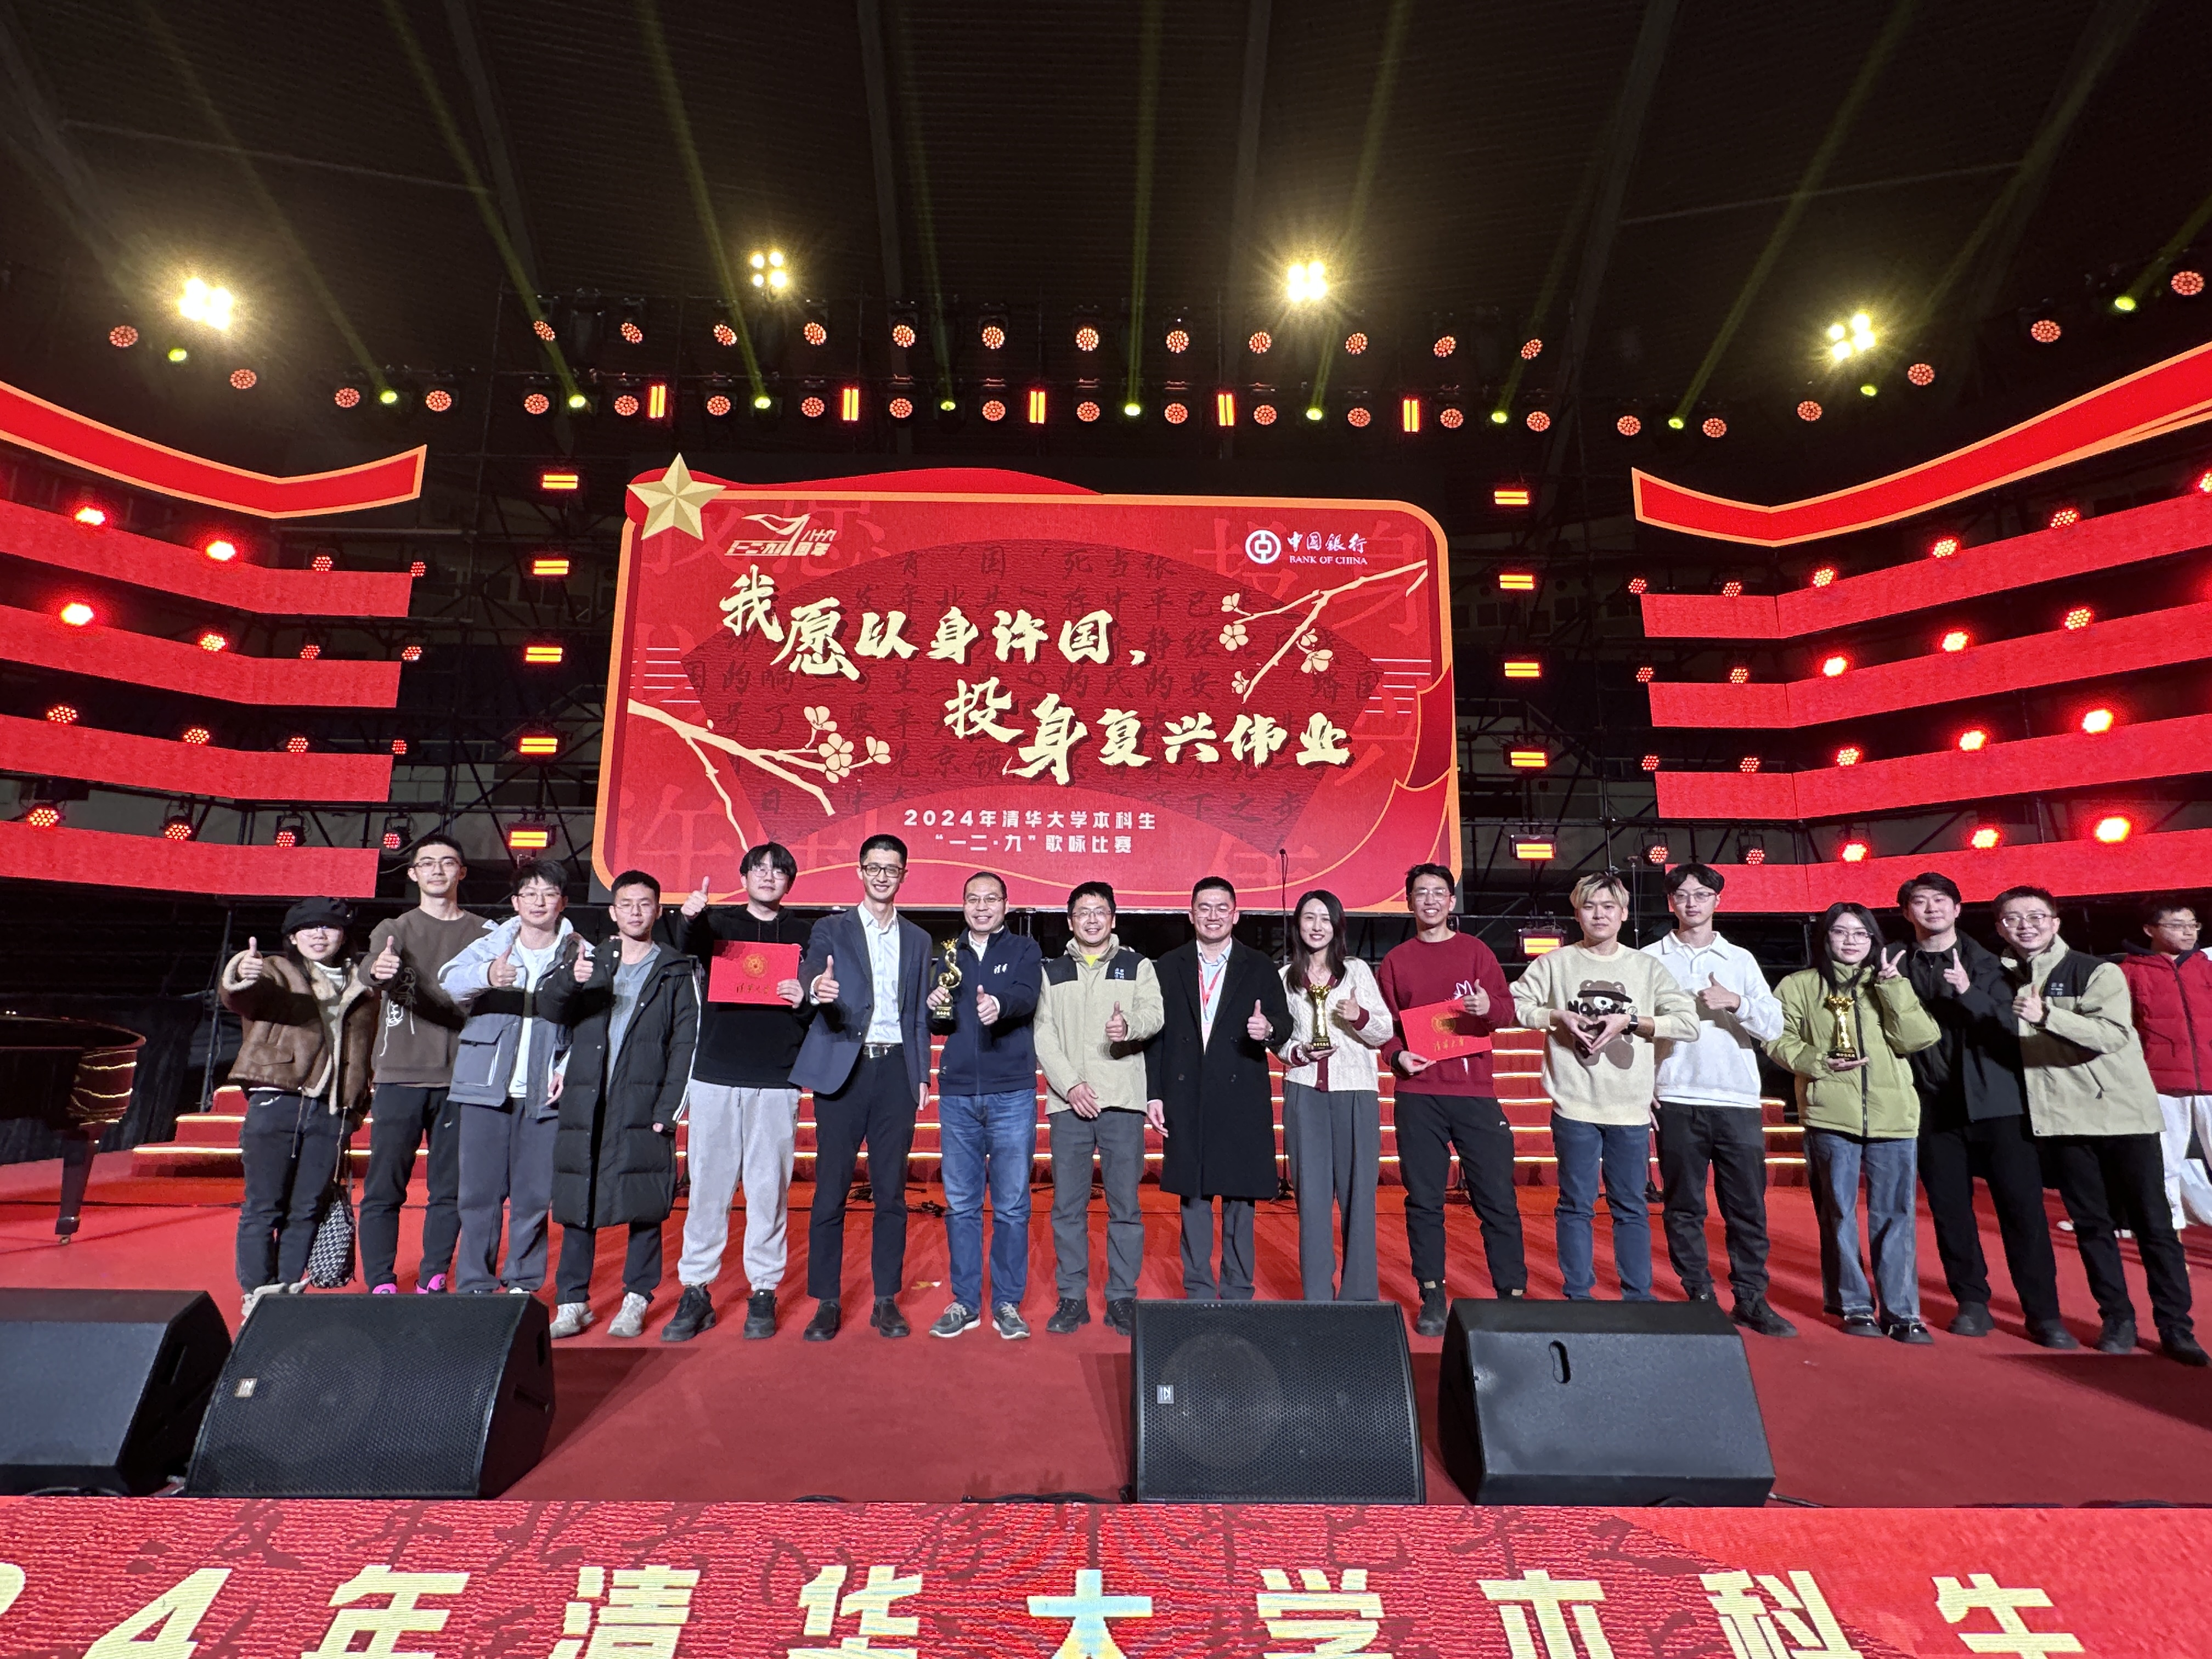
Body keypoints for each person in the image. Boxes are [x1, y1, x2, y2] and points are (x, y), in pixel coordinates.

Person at [1995, 886, 2205, 1365]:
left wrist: (2048, 1016)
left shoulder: (2095, 971)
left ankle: (2176, 1327)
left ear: (2055, 922)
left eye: (2036, 916)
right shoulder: (2002, 977)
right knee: (2092, 1226)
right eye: (2013, 919)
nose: (2025, 926)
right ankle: (2117, 1319)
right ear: (2001, 928)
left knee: (2154, 1224)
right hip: (2063, 1121)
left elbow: (2112, 1035)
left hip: (2122, 1114)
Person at [1895, 872, 2072, 1346]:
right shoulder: (1895, 964)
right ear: (1907, 912)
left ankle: (2044, 1314)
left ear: (1957, 909)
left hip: (1999, 1104)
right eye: (1920, 901)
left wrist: (1968, 991)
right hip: (1933, 1106)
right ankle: (1971, 1302)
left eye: (1941, 900)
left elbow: (2018, 1030)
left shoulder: (1997, 965)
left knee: (2023, 1211)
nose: (1932, 908)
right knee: (1950, 1212)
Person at [1513, 872, 1698, 1304]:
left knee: (1631, 1207)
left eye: (1609, 907)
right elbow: (1517, 1004)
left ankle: (1638, 1297)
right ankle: (1578, 1296)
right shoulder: (1555, 964)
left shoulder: (1646, 968)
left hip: (1630, 1111)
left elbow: (1687, 1024)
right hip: (1574, 1106)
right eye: (1590, 906)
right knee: (1575, 1205)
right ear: (1577, 914)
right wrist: (1557, 1017)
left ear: (1624, 914)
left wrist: (1631, 1021)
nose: (1599, 914)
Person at [656, 844, 812, 1342]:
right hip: (716, 1075)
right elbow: (688, 941)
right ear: (743, 877)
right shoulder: (718, 924)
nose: (768, 876)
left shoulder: (805, 934)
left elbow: (819, 1002)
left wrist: (805, 999)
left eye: (779, 871)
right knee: (708, 1188)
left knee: (769, 1191)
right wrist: (691, 916)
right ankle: (696, 1289)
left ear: (790, 882)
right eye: (759, 869)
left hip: (777, 1078)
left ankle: (763, 1289)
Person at [540, 871, 700, 1340]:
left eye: (645, 904)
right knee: (578, 1202)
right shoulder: (589, 960)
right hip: (586, 1100)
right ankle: (573, 1302)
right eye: (626, 903)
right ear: (612, 912)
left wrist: (669, 1110)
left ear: (658, 911)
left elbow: (685, 1044)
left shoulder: (675, 969)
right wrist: (570, 980)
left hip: (643, 1103)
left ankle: (636, 1298)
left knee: (645, 1202)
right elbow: (551, 1009)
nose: (635, 911)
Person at [1770, 903, 1940, 1343]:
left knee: (1896, 1215)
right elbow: (1777, 1038)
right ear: (1825, 938)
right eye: (1841, 932)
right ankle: (1854, 1305)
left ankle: (1902, 1311)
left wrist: (1893, 988)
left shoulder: (1890, 982)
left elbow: (1919, 1038)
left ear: (1873, 941)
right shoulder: (1800, 985)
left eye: (1860, 933)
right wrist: (1817, 1062)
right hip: (1830, 1112)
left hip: (1894, 1115)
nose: (1851, 941)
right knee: (1838, 1214)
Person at [1640, 864, 1795, 1337]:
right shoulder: (1649, 959)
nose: (1692, 903)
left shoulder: (1739, 959)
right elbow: (1636, 1030)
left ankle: (1751, 1298)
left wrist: (1736, 1002)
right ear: (1670, 903)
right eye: (1683, 895)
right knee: (1684, 1205)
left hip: (1737, 1098)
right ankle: (1700, 1297)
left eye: (1702, 895)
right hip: (1676, 1095)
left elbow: (1774, 1027)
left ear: (1717, 901)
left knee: (1746, 1207)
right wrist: (1643, 1086)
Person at [791, 834, 932, 1340]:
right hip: (843, 1070)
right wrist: (817, 988)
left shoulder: (918, 939)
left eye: (891, 869)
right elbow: (812, 971)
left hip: (896, 1071)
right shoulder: (831, 928)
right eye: (874, 867)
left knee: (891, 1192)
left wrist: (922, 1074)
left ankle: (886, 1299)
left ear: (903, 875)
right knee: (831, 1189)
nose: (882, 876)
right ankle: (826, 1300)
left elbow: (918, 1015)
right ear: (860, 871)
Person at [1376, 863, 1522, 1334]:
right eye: (1421, 893)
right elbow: (1383, 1029)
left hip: (1475, 1093)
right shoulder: (1396, 961)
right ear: (1409, 902)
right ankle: (1432, 1294)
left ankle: (1511, 1294)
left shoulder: (1476, 952)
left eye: (1439, 892)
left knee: (1496, 1197)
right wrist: (1397, 1056)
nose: (1430, 900)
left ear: (1452, 901)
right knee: (1424, 1201)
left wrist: (1488, 1007)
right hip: (1419, 1095)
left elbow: (1506, 1009)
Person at [221, 899, 378, 1316]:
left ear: (343, 936)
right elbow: (243, 995)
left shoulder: (363, 983)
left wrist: (356, 1105)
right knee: (264, 1205)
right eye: (308, 928)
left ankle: (288, 1292)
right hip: (278, 1098)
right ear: (292, 937)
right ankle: (257, 1294)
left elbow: (366, 1049)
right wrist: (242, 972)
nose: (318, 935)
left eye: (328, 927)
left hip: (332, 1109)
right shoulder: (276, 970)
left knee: (307, 1207)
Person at [356, 836, 493, 1297]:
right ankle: (380, 1279)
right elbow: (371, 968)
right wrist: (378, 970)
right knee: (384, 1187)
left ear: (462, 872)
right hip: (400, 1076)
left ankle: (434, 1274)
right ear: (413, 874)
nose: (437, 870)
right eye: (427, 863)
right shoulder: (394, 928)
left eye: (447, 863)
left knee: (449, 1188)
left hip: (462, 1079)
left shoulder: (484, 933)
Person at [1146, 877, 1293, 1300]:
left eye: (1221, 908)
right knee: (1193, 1195)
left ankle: (1238, 1287)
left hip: (1240, 1092)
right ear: (1191, 914)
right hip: (1186, 1093)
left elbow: (1285, 1021)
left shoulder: (1259, 965)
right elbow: (1155, 1037)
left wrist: (1268, 1029)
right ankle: (1197, 1286)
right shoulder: (1168, 966)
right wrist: (1154, 1094)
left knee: (1240, 1196)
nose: (1213, 916)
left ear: (1236, 914)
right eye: (1204, 908)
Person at [439, 859, 581, 1296]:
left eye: (549, 894)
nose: (539, 902)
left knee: (534, 1197)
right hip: (484, 1087)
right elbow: (448, 982)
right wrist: (487, 975)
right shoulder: (492, 943)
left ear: (563, 902)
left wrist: (566, 1068)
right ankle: (475, 1283)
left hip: (544, 1092)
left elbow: (594, 1022)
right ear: (516, 902)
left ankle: (523, 1281)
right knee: (477, 1195)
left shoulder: (581, 953)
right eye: (530, 894)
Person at [1032, 881, 1164, 1336]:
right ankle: (1072, 1296)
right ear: (1071, 921)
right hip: (1069, 1103)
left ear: (1114, 919)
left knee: (1125, 1206)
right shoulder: (1052, 971)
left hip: (1121, 1101)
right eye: (1083, 912)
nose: (1092, 919)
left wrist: (1129, 1025)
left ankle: (1122, 1296)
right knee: (1067, 1207)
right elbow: (1043, 1033)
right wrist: (1070, 1085)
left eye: (1100, 911)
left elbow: (1155, 1014)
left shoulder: (1137, 965)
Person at [927, 871, 1044, 1340]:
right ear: (963, 905)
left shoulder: (1024, 950)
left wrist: (999, 1004)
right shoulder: (947, 954)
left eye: (990, 899)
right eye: (973, 899)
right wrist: (936, 1005)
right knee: (961, 1205)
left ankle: (1008, 1303)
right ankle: (964, 1301)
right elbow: (939, 1025)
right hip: (957, 1095)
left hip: (1012, 1091)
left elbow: (1027, 997)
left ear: (1005, 905)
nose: (981, 907)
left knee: (1012, 1205)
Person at [1277, 888, 1393, 1301]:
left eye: (1325, 918)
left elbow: (1384, 1031)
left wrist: (1358, 1016)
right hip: (1304, 1093)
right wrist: (1299, 1052)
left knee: (1358, 1197)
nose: (1317, 926)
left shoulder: (1357, 972)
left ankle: (1359, 1295)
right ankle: (1317, 1296)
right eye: (1309, 918)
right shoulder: (1284, 978)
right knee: (1310, 1199)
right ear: (1298, 925)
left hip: (1355, 1093)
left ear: (1338, 925)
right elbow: (1280, 1040)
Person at [2118, 894, 2212, 1231]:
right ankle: (2168, 1232)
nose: (2188, 932)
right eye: (2177, 925)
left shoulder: (2206, 966)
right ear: (2150, 930)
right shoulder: (2127, 972)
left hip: (2211, 1079)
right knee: (2164, 1163)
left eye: (2193, 925)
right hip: (2159, 1083)